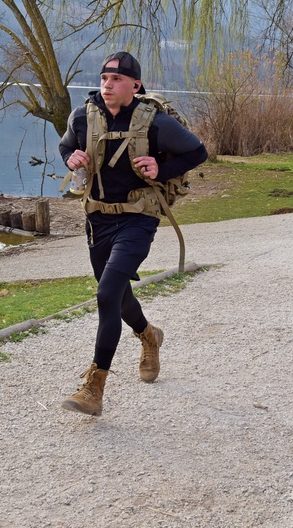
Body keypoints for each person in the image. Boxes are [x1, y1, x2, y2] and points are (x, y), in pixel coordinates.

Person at [58, 51, 208, 416]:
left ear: (135, 85)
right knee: (119, 298)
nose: (107, 85)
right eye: (104, 78)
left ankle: (94, 387)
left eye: (116, 79)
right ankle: (149, 335)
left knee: (106, 293)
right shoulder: (82, 117)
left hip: (138, 219)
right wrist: (71, 159)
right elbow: (66, 145)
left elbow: (198, 152)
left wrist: (161, 166)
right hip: (98, 218)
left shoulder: (156, 123)